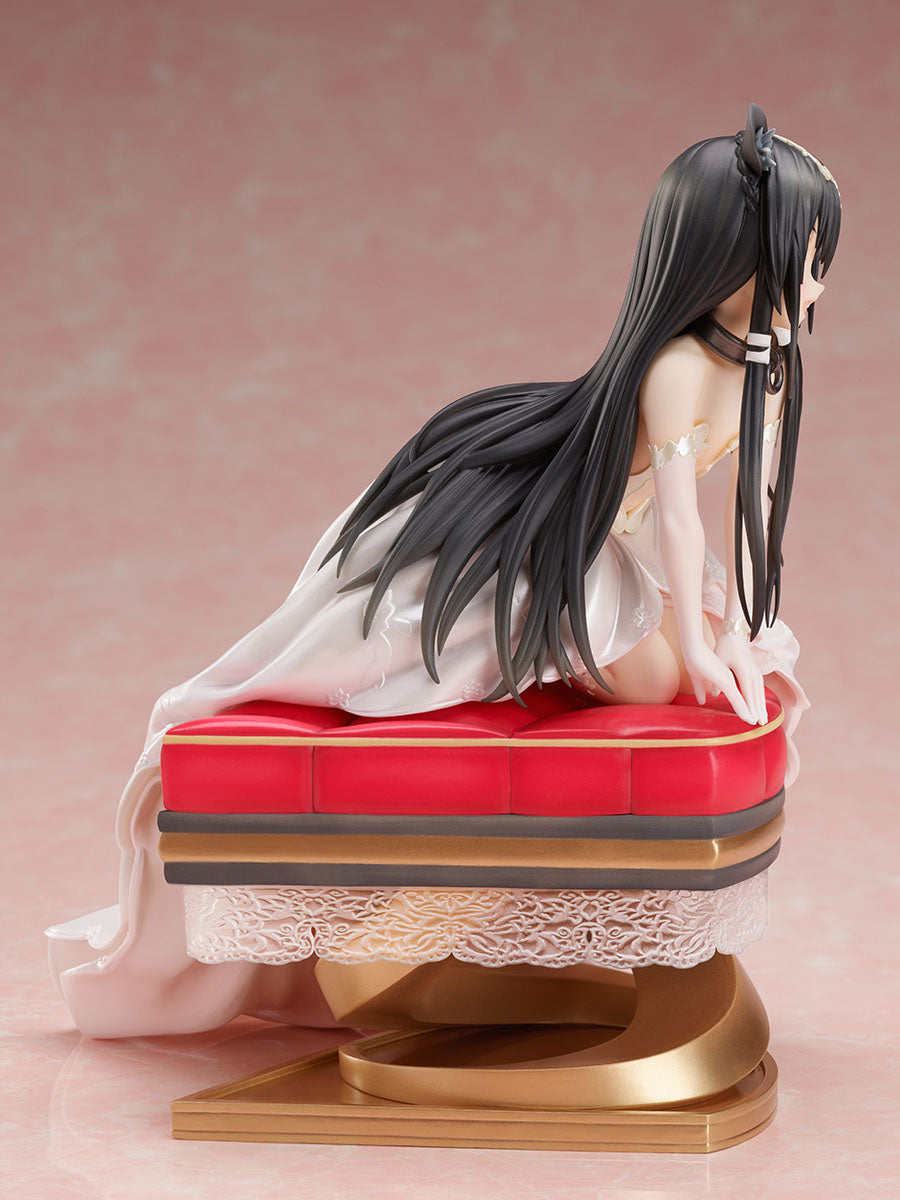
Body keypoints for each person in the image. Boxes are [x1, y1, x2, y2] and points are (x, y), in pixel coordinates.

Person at [47, 105, 841, 1037]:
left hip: (617, 543)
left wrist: (739, 627)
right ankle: (383, 950)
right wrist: (701, 653)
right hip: (552, 542)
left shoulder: (766, 372)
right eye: (803, 259)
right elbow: (677, 515)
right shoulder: (676, 368)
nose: (816, 284)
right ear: (733, 261)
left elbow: (748, 513)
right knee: (663, 678)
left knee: (712, 662)